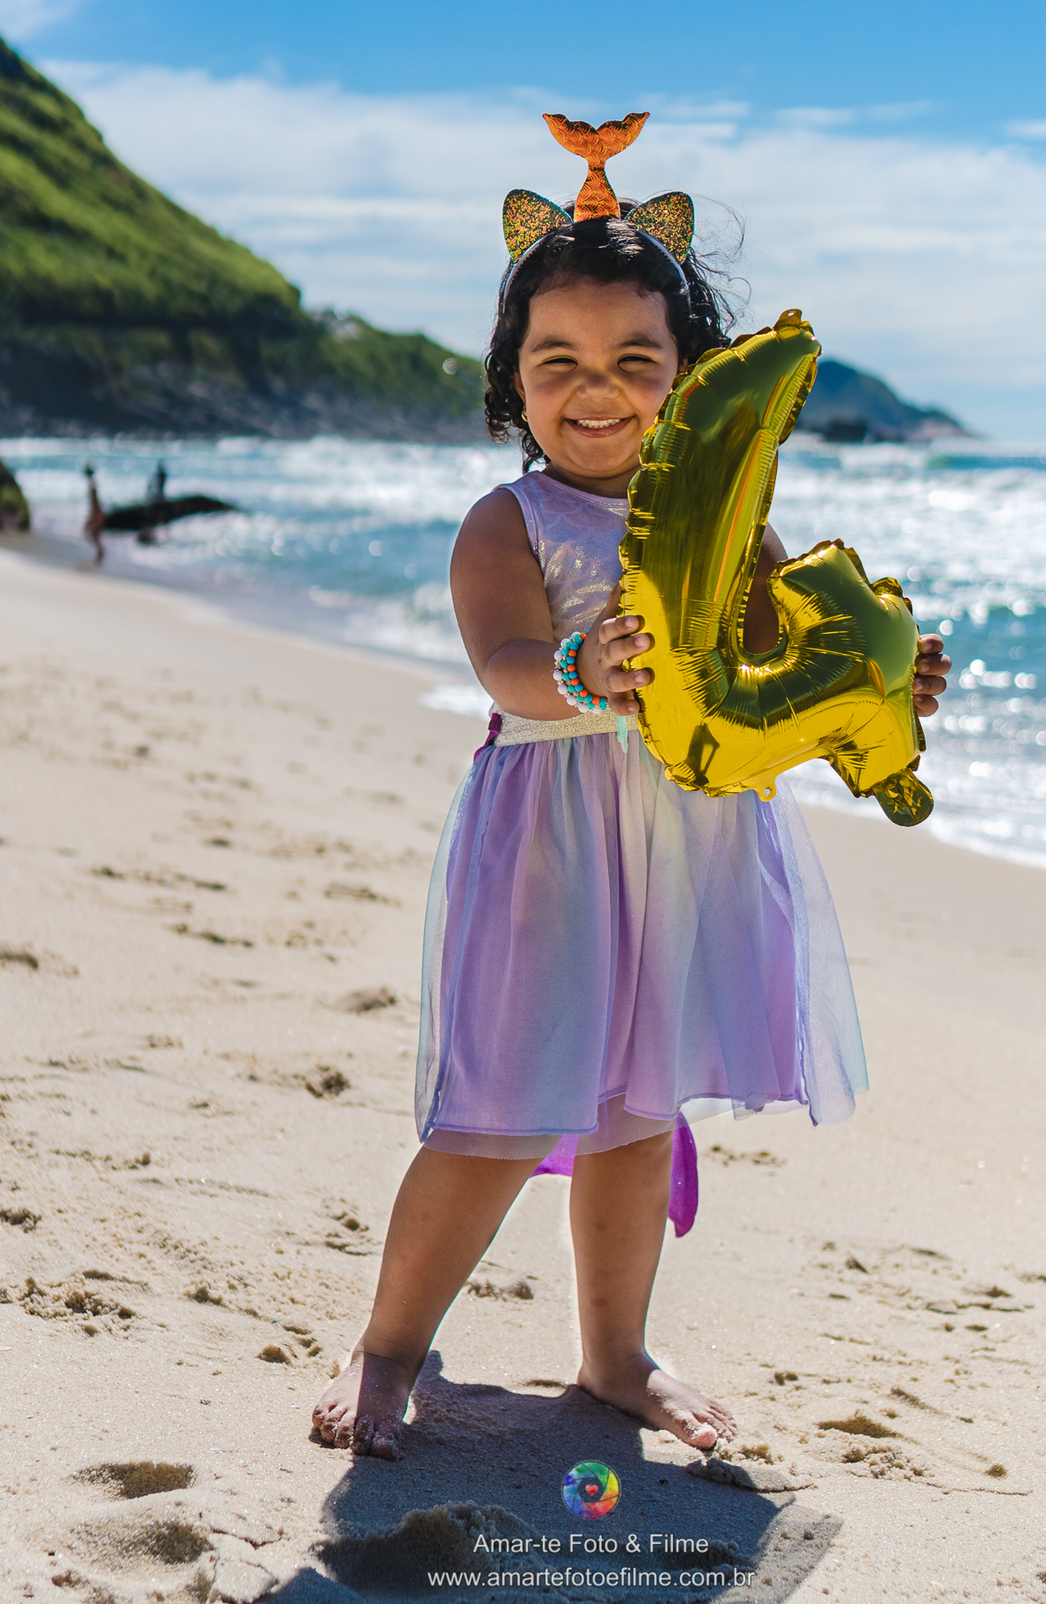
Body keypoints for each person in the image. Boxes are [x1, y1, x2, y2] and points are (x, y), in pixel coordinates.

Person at [312, 115, 950, 1461]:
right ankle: (387, 1349)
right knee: (496, 1109)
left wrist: (883, 692)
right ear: (514, 383)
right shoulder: (512, 522)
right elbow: (503, 674)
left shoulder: (736, 520)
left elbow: (792, 664)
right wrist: (581, 667)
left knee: (637, 1109)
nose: (596, 390)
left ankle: (614, 1356)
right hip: (550, 844)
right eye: (559, 364)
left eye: (634, 363)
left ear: (692, 378)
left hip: (693, 842)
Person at [83, 465, 105, 567]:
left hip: (95, 513)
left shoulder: (92, 486)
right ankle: (99, 555)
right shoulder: (92, 484)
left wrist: (93, 516)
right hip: (96, 513)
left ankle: (100, 555)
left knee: (93, 534)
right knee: (93, 535)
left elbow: (94, 503)